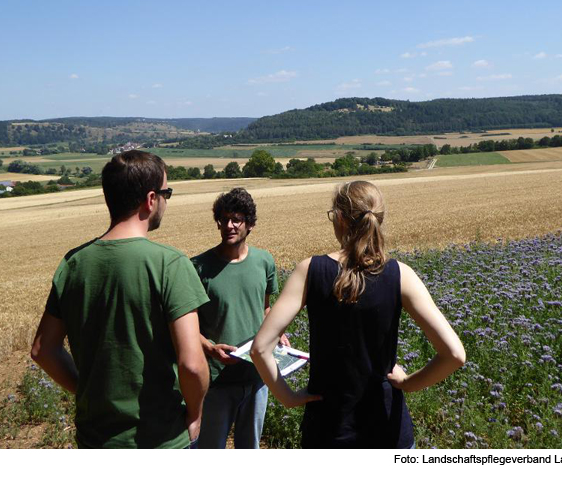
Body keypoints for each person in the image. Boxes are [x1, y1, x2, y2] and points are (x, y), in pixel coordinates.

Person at [251, 180, 466, 448]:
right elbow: (455, 354)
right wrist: (409, 383)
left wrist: (288, 397)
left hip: (327, 433)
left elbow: (260, 348)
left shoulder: (310, 271)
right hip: (389, 430)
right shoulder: (401, 275)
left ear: (339, 218)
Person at [30, 150, 210, 449]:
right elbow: (192, 365)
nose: (166, 201)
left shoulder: (73, 264)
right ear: (151, 199)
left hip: (95, 439)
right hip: (160, 439)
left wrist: (87, 391)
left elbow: (42, 351)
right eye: (167, 193)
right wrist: (195, 412)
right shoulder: (170, 264)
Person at [191, 187, 288, 448]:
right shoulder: (198, 268)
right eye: (223, 219)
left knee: (250, 448)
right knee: (211, 450)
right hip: (216, 382)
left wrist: (277, 332)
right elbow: (186, 328)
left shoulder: (264, 262)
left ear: (250, 224)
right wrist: (210, 348)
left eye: (237, 219)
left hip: (257, 376)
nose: (229, 226)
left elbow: (265, 309)